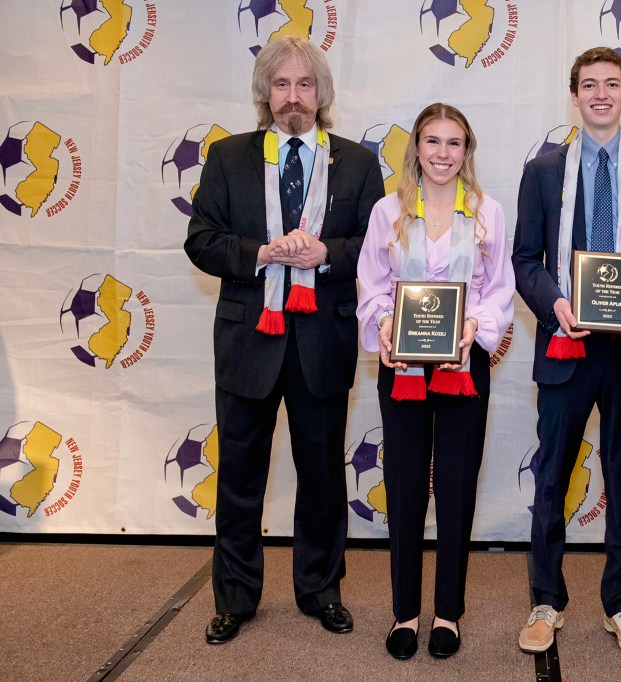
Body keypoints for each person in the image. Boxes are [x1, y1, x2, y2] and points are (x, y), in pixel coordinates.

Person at [184, 35, 384, 644]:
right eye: (281, 85)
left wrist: (327, 254)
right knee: (240, 479)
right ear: (264, 93)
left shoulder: (356, 161)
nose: (293, 97)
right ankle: (235, 599)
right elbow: (201, 240)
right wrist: (262, 253)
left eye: (304, 85)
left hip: (322, 343)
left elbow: (378, 249)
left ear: (321, 94)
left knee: (322, 475)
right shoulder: (226, 157)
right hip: (249, 343)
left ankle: (321, 590)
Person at [512, 47, 621, 660]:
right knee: (552, 478)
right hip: (566, 344)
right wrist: (555, 302)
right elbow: (525, 259)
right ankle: (546, 600)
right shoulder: (544, 169)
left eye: (612, 84)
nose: (601, 94)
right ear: (574, 95)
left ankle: (620, 604)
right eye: (589, 85)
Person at [356, 103, 514, 660]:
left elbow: (499, 290)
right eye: (432, 142)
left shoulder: (488, 212)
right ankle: (405, 613)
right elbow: (372, 285)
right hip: (402, 368)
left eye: (454, 143)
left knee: (455, 489)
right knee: (402, 490)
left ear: (466, 151)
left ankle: (447, 612)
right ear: (416, 148)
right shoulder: (387, 211)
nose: (442, 154)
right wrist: (385, 324)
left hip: (462, 366)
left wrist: (476, 326)